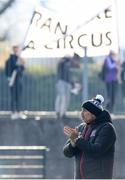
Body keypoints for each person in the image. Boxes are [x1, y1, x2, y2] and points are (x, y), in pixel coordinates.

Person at [63, 94, 116, 179]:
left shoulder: (107, 128)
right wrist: (73, 143)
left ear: (93, 114)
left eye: (85, 111)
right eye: (81, 110)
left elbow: (97, 150)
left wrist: (77, 140)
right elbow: (66, 153)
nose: (81, 113)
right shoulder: (81, 127)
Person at [55, 53, 80, 119]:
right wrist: (71, 61)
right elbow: (63, 67)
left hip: (67, 82)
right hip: (61, 81)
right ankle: (59, 113)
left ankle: (63, 113)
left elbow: (72, 73)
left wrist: (73, 83)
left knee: (66, 98)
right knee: (62, 97)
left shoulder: (71, 63)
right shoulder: (64, 61)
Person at [5, 45, 26, 119]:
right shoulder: (9, 60)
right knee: (13, 97)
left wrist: (20, 65)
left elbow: (22, 69)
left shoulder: (19, 59)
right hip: (13, 82)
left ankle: (19, 112)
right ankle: (13, 112)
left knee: (19, 97)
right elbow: (8, 71)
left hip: (19, 81)